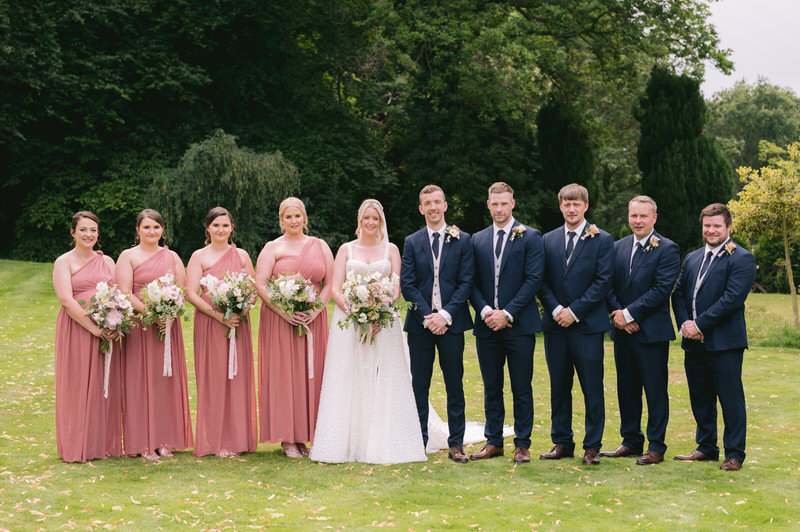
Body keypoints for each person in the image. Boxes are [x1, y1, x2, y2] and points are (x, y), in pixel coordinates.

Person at [310, 199, 426, 464]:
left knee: (384, 375)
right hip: (350, 322)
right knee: (351, 375)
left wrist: (377, 312)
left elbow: (396, 287)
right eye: (366, 218)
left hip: (384, 322)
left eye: (375, 219)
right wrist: (357, 313)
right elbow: (336, 289)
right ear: (359, 221)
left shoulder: (392, 249)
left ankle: (386, 438)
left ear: (381, 221)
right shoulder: (346, 249)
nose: (371, 223)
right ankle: (349, 440)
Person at [671, 203, 755, 471]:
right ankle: (706, 446)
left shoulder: (741, 258)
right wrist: (685, 323)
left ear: (728, 227)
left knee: (730, 398)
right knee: (700, 397)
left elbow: (731, 300)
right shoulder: (693, 257)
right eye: (707, 225)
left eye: (717, 225)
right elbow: (678, 293)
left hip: (725, 343)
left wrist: (700, 324)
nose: (711, 230)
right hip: (693, 342)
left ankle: (734, 454)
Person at [469, 182, 544, 464]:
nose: (499, 209)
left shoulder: (531, 237)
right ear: (488, 204)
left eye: (504, 203)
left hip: (519, 325)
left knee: (521, 386)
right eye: (494, 203)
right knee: (492, 386)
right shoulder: (476, 239)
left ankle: (522, 444)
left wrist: (508, 313)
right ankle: (494, 441)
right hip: (487, 325)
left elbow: (533, 279)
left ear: (513, 204)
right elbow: (471, 281)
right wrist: (488, 311)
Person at [601, 196, 679, 465]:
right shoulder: (617, 247)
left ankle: (656, 446)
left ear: (654, 218)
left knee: (655, 391)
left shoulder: (668, 249)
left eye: (643, 216)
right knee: (627, 389)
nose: (637, 221)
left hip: (652, 333)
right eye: (634, 216)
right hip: (622, 332)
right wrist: (618, 315)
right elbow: (607, 285)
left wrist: (630, 314)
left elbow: (661, 289)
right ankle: (631, 441)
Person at [539, 183, 613, 466]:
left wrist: (575, 311)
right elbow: (541, 280)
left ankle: (592, 445)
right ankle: (562, 441)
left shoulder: (602, 239)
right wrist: (558, 309)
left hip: (587, 327)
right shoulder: (547, 240)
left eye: (576, 204)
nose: (571, 209)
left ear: (586, 206)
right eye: (566, 204)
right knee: (559, 386)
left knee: (591, 387)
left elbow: (603, 281)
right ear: (560, 207)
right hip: (556, 325)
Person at [401, 185, 474, 463]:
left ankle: (456, 444)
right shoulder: (412, 241)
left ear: (445, 206)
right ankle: (418, 441)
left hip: (452, 325)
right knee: (419, 384)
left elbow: (466, 281)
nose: (432, 207)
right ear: (421, 209)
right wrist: (427, 317)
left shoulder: (462, 239)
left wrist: (445, 315)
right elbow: (407, 284)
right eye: (427, 203)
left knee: (454, 383)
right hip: (420, 326)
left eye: (437, 202)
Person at [255, 197, 334, 458]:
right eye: (288, 217)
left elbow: (329, 284)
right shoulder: (272, 247)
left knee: (311, 375)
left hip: (313, 320)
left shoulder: (320, 246)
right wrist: (283, 311)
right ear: (282, 220)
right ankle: (288, 437)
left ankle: (306, 435)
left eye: (297, 216)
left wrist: (315, 310)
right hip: (281, 320)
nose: (293, 221)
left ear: (305, 218)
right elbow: (262, 284)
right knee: (284, 375)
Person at [115, 209, 193, 460]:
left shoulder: (172, 256)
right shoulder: (128, 256)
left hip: (168, 327)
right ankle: (142, 442)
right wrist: (152, 313)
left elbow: (182, 290)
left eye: (156, 227)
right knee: (139, 382)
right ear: (138, 229)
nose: (152, 232)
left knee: (164, 382)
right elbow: (125, 292)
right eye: (146, 227)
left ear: (162, 230)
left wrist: (169, 315)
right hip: (141, 326)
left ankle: (163, 440)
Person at [186, 207, 257, 457]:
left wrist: (241, 309)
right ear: (208, 228)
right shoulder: (199, 256)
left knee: (237, 380)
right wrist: (219, 316)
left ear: (232, 228)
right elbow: (191, 293)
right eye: (216, 225)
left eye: (225, 225)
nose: (221, 230)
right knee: (214, 380)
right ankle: (215, 441)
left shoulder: (242, 255)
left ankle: (237, 439)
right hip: (210, 324)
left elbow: (253, 290)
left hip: (238, 324)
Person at [52, 211, 122, 462]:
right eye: (83, 229)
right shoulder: (64, 261)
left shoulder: (108, 262)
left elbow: (118, 295)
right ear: (73, 233)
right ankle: (76, 446)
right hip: (77, 328)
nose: (88, 234)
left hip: (106, 327)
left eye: (93, 230)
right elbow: (66, 300)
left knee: (103, 386)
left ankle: (99, 444)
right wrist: (93, 329)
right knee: (78, 384)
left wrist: (114, 321)